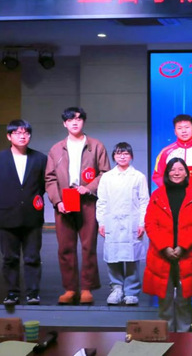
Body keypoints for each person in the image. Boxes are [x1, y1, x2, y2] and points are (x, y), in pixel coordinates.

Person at [45, 107, 110, 305]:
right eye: (70, 119)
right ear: (64, 123)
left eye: (79, 119)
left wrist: (88, 188)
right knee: (65, 247)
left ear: (84, 122)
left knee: (89, 246)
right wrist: (57, 201)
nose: (75, 122)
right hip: (65, 200)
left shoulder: (95, 146)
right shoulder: (56, 149)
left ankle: (87, 288)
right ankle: (70, 289)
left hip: (87, 200)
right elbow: (50, 178)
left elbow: (105, 173)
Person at [143, 157, 192, 332]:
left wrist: (182, 246)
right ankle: (167, 336)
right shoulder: (157, 195)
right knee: (165, 300)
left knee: (185, 300)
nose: (176, 173)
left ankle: (184, 336)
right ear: (167, 173)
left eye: (180, 169)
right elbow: (150, 223)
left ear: (186, 173)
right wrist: (165, 247)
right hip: (162, 254)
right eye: (172, 169)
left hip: (187, 253)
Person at [96, 142, 150, 306]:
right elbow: (102, 201)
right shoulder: (107, 177)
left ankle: (132, 291)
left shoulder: (138, 177)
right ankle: (116, 289)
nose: (122, 156)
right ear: (114, 156)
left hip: (132, 223)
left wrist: (142, 222)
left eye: (126, 153)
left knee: (132, 258)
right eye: (119, 153)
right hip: (112, 222)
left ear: (131, 156)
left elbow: (144, 201)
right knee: (113, 257)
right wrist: (101, 222)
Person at [0, 120, 47, 305]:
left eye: (26, 133)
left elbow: (43, 185)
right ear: (9, 136)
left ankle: (33, 292)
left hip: (32, 216)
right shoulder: (1, 158)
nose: (22, 136)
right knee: (9, 257)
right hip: (6, 215)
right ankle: (12, 292)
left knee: (32, 257)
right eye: (18, 133)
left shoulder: (40, 159)